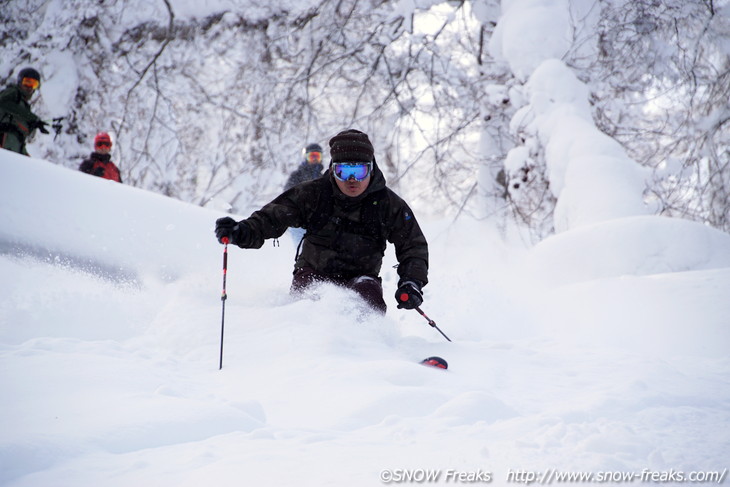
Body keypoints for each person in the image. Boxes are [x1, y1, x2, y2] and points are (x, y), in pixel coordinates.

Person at [215, 129, 428, 315]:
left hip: (363, 279)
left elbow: (413, 245)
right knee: (308, 303)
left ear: (371, 169)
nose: (352, 180)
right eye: (344, 171)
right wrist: (241, 231)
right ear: (333, 169)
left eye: (359, 171)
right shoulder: (313, 194)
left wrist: (411, 282)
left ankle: (369, 353)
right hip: (313, 274)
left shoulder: (388, 204)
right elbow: (272, 217)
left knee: (366, 304)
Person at [0, 67, 49, 156]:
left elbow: (20, 133)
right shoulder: (14, 92)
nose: (29, 87)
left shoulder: (24, 105)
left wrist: (34, 124)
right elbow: (3, 102)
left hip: (15, 146)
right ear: (19, 81)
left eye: (34, 84)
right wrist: (32, 118)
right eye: (27, 82)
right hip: (4, 140)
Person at [284, 142, 325, 245]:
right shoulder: (297, 176)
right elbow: (287, 195)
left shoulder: (323, 177)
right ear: (306, 157)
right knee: (303, 249)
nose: (315, 160)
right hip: (299, 221)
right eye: (312, 156)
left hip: (317, 221)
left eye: (317, 156)